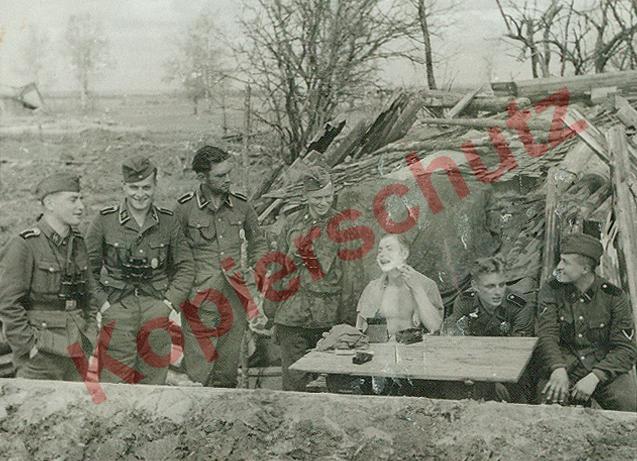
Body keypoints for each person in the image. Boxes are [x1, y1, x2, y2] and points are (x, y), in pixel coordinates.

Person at [86, 156, 194, 385]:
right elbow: (87, 268)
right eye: (134, 187)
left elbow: (186, 266)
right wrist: (103, 304)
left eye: (146, 187)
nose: (140, 194)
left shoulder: (167, 221)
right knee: (114, 383)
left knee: (153, 382)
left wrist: (169, 304)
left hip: (155, 308)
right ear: (123, 186)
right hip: (117, 308)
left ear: (155, 186)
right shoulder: (105, 220)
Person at [173, 145, 267, 388]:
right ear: (202, 177)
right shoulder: (184, 209)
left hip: (234, 299)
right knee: (199, 374)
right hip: (198, 301)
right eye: (220, 175)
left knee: (227, 374)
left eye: (229, 173)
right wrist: (181, 292)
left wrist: (256, 276)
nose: (227, 180)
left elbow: (258, 243)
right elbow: (173, 254)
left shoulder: (241, 205)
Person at [0, 173, 98, 381]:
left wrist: (90, 336)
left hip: (77, 351)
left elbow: (89, 297)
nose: (81, 206)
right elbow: (8, 304)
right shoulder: (25, 245)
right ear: (50, 204)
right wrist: (29, 347)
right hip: (40, 357)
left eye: (81, 199)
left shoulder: (78, 243)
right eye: (73, 200)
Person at [270, 166, 354, 391]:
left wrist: (346, 320)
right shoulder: (291, 223)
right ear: (306, 196)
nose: (323, 202)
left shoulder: (342, 225)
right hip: (291, 316)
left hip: (328, 317)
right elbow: (278, 269)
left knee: (334, 384)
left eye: (328, 196)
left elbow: (351, 275)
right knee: (294, 384)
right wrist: (271, 311)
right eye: (317, 198)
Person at [537, 233, 636, 412]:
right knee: (546, 408)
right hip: (565, 368)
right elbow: (547, 335)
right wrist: (557, 368)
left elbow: (626, 348)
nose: (559, 267)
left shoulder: (614, 297)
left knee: (629, 407)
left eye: (565, 262)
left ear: (585, 269)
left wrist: (596, 376)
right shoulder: (551, 289)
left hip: (603, 370)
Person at [442, 255, 535, 403]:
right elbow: (458, 344)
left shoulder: (520, 307)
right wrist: (470, 371)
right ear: (475, 286)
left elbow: (516, 355)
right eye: (490, 286)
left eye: (502, 285)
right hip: (472, 370)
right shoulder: (465, 302)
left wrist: (485, 378)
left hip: (510, 375)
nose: (498, 292)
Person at [356, 233, 444, 338]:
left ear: (404, 254)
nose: (382, 254)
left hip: (416, 347)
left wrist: (417, 288)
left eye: (389, 249)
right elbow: (359, 331)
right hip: (382, 347)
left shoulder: (427, 285)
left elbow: (435, 327)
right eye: (380, 251)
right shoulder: (372, 288)